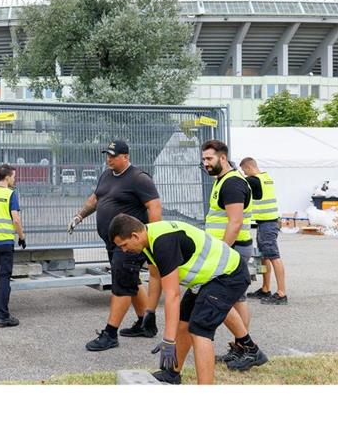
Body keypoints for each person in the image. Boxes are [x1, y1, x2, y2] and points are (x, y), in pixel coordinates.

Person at [109, 214, 268, 384]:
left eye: (124, 245)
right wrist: (150, 311)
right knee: (183, 323)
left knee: (199, 328)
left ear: (134, 235)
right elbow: (155, 277)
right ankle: (172, 374)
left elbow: (172, 295)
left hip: (229, 274)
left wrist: (168, 341)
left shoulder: (163, 242)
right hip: (207, 279)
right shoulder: (148, 239)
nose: (124, 250)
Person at [67, 140, 163, 351]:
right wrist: (79, 216)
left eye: (113, 155)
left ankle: (110, 334)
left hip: (131, 243)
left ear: (126, 156)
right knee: (130, 281)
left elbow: (154, 207)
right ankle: (145, 324)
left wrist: (154, 238)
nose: (108, 158)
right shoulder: (107, 175)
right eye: (107, 154)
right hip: (114, 242)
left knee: (121, 286)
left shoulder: (139, 178)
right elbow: (95, 198)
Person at [201, 139, 260, 368]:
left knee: (225, 300)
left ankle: (244, 348)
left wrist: (221, 252)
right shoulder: (223, 180)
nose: (205, 163)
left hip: (231, 250)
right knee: (237, 300)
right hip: (229, 249)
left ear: (222, 158)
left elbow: (235, 223)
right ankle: (240, 348)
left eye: (209, 159)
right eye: (204, 159)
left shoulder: (232, 184)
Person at [240, 157, 288, 305]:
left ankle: (281, 293)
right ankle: (265, 289)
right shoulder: (265, 177)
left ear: (248, 168)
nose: (244, 173)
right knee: (265, 256)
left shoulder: (254, 180)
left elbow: (237, 181)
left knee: (273, 255)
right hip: (267, 223)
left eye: (244, 171)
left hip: (268, 224)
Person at [0, 164, 26, 327]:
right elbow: (15, 219)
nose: (14, 179)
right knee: (5, 278)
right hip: (6, 242)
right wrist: (21, 237)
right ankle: (3, 314)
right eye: (13, 177)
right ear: (7, 177)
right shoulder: (10, 194)